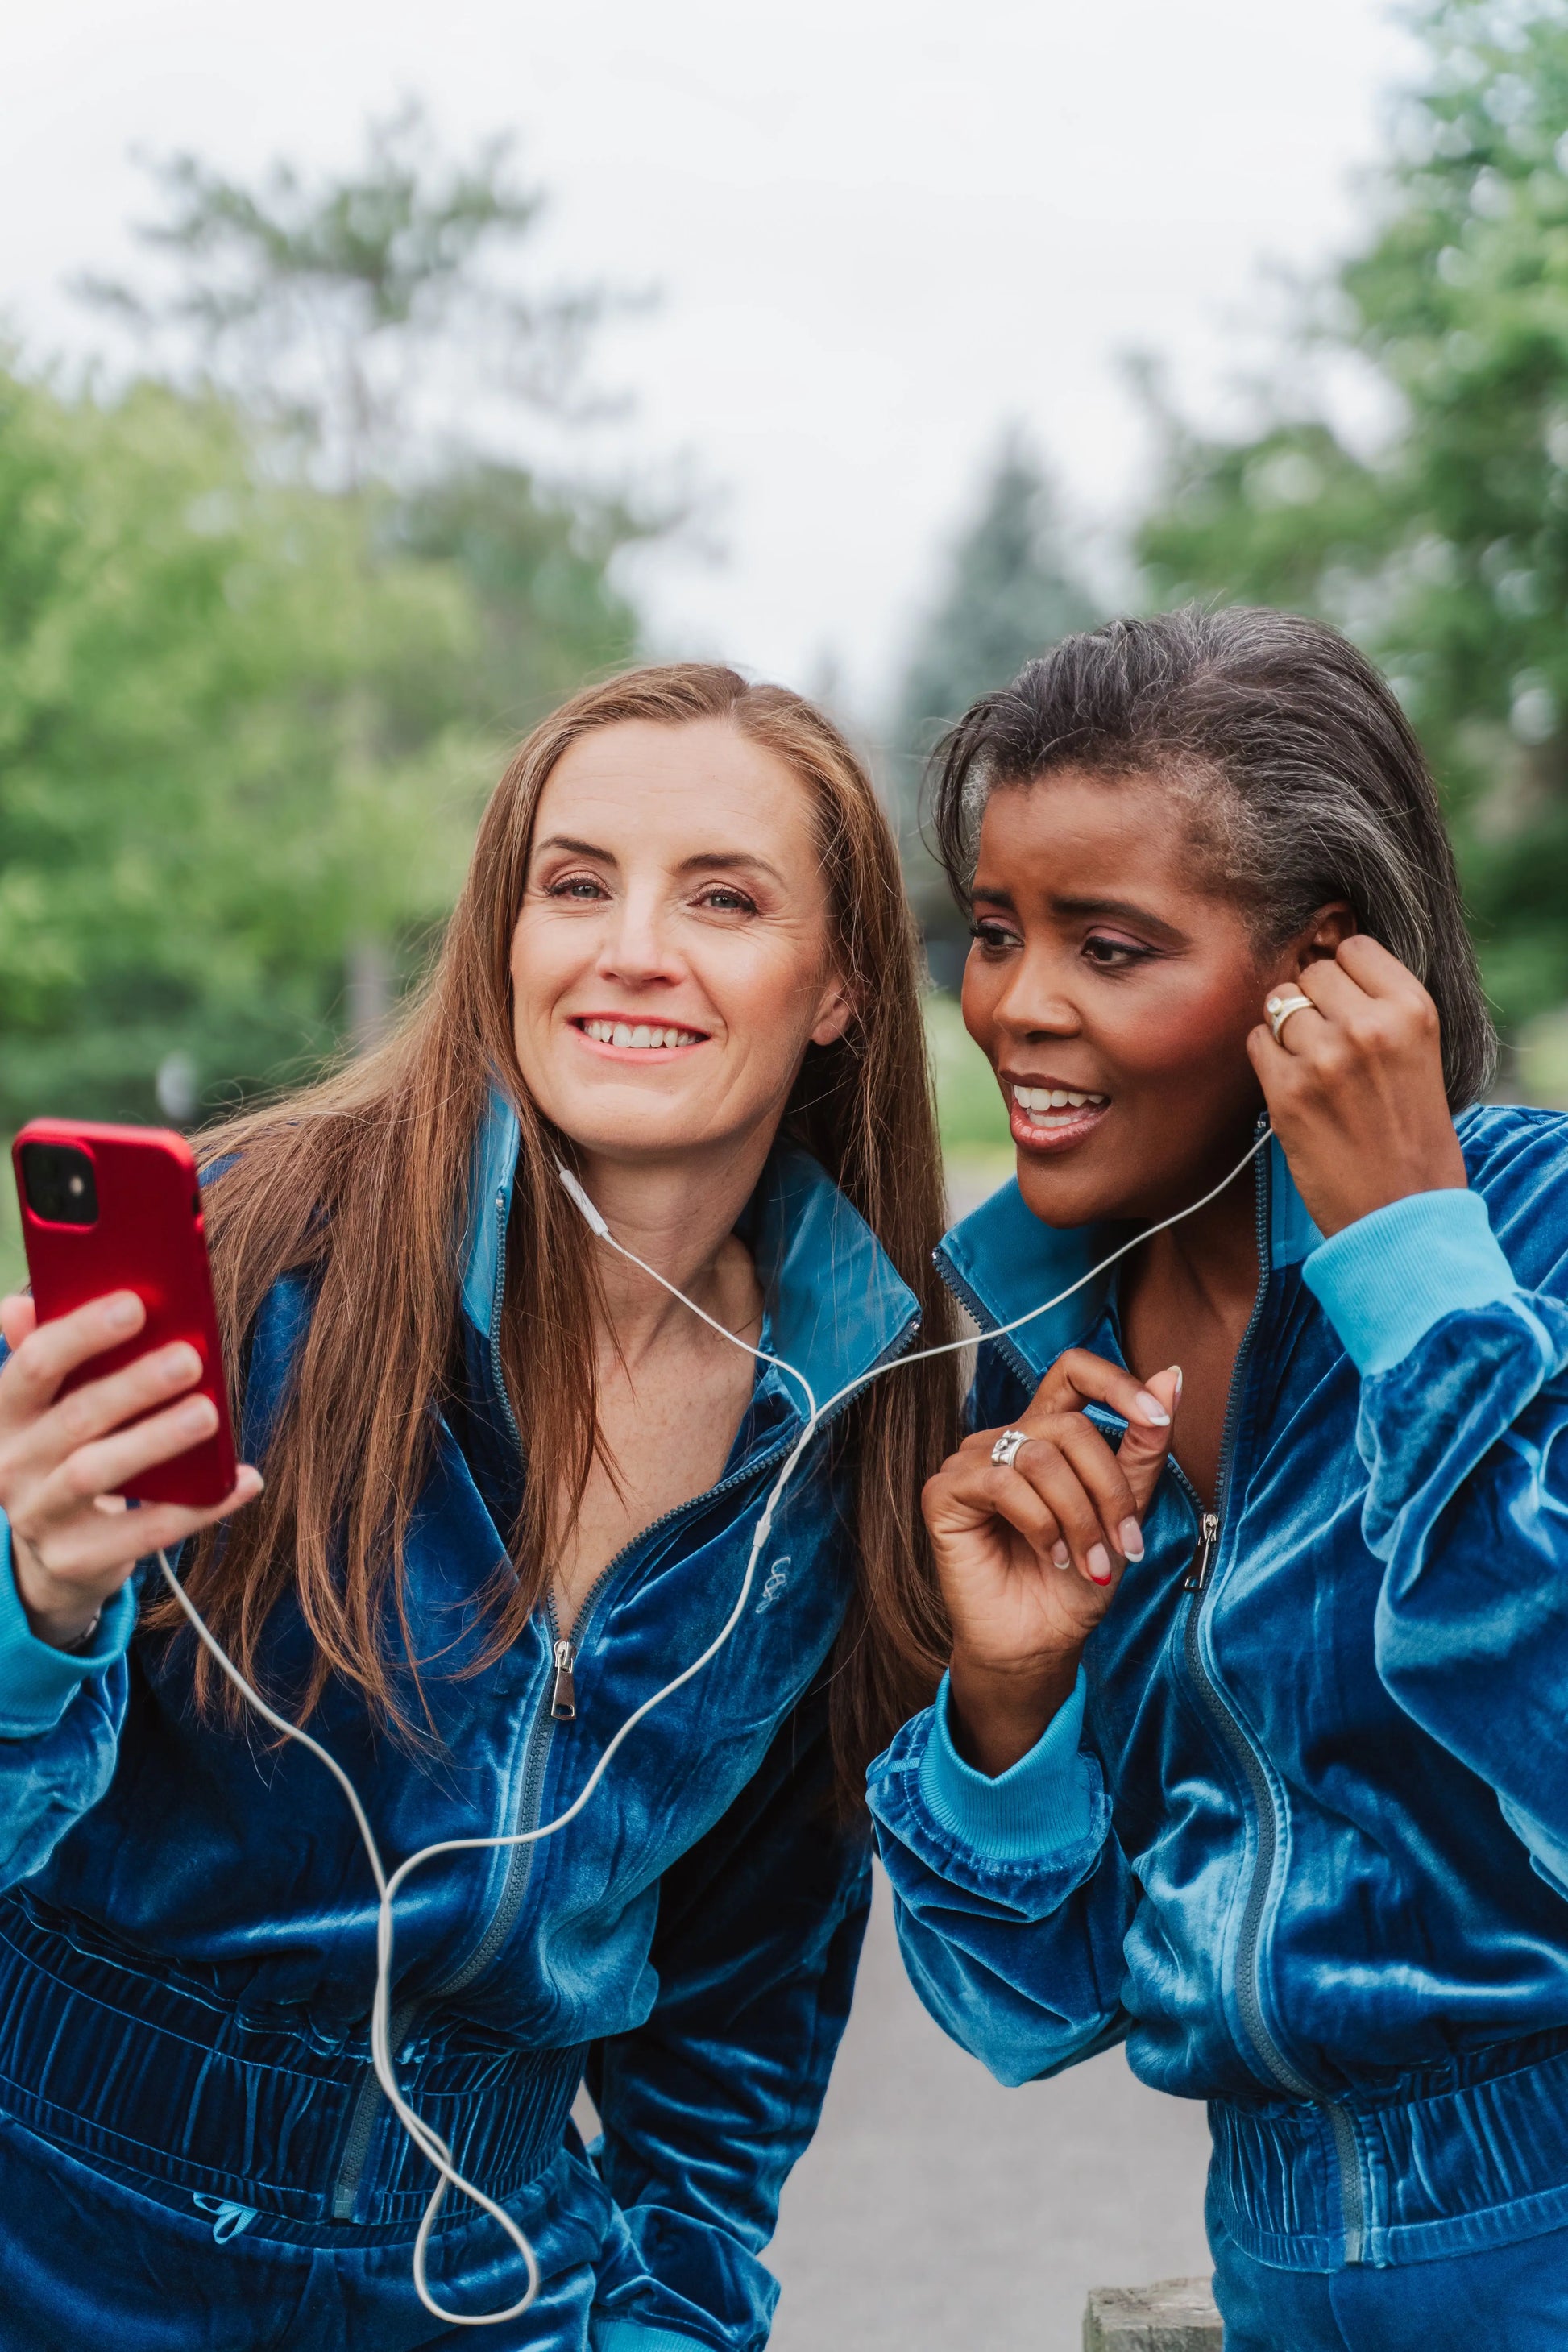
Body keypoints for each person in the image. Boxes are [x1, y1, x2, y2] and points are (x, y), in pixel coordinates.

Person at [0, 663, 956, 2352]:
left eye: (721, 897)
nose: (628, 946)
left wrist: (664, 2330)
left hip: (493, 2286)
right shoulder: (250, 1257)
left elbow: (742, 2013)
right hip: (56, 2221)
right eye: (573, 882)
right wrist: (33, 1607)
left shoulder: (860, 1416)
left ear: (840, 991)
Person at [867, 607, 1568, 2350]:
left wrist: (1417, 1270)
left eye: (1110, 945)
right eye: (994, 931)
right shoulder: (1038, 1357)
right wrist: (1008, 1699)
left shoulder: (1528, 1234)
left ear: (1317, 966)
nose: (1017, 1006)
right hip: (1269, 2270)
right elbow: (1032, 2001)